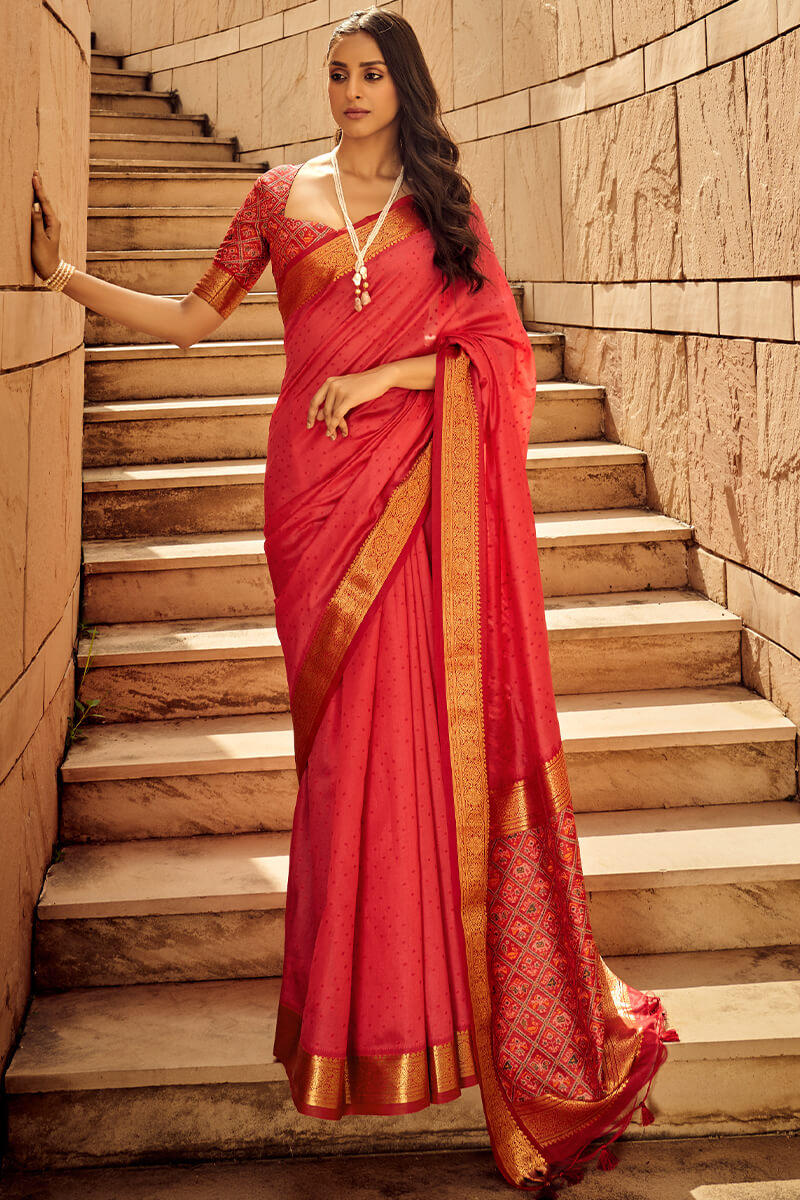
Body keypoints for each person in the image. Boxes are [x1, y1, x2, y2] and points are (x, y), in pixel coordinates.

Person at [30, 7, 678, 1193]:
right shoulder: (277, 199)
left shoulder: (443, 205)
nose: (350, 89)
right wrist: (62, 275)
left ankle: (445, 1012)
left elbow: (500, 359)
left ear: (401, 84)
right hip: (315, 506)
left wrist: (385, 372)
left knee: (422, 752)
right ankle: (359, 1018)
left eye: (370, 72)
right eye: (335, 72)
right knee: (344, 767)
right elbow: (190, 322)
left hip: (416, 495)